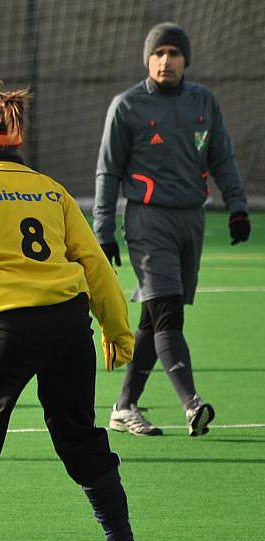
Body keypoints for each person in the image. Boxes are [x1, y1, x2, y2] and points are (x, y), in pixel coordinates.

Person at [0, 90, 153, 541]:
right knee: (82, 439)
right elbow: (94, 263)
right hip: (68, 325)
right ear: (17, 137)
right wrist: (115, 328)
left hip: (3, 324)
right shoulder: (52, 191)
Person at [93, 22, 252, 437]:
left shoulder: (204, 101)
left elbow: (222, 158)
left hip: (191, 220)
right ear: (147, 59)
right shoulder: (126, 106)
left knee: (153, 315)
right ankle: (192, 404)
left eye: (173, 53)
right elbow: (108, 172)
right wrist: (103, 230)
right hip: (148, 220)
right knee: (168, 312)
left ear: (186, 59)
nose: (166, 61)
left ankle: (124, 407)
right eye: (158, 53)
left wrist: (237, 205)